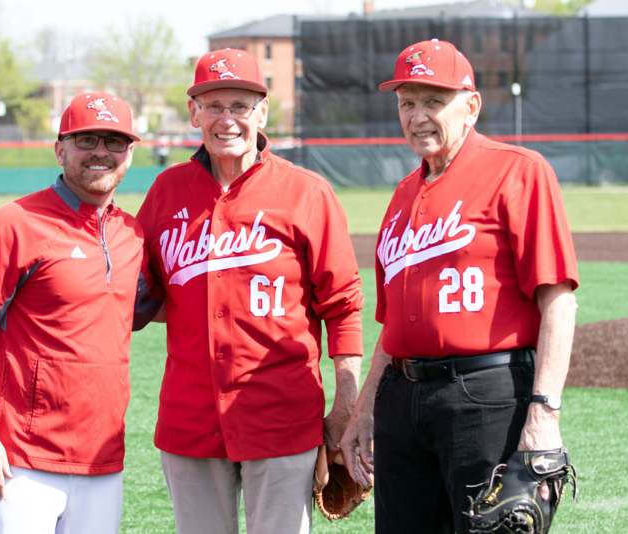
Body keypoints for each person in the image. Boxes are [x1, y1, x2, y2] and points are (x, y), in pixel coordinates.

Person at [340, 39, 579, 533]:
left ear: (470, 106)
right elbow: (393, 324)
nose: (418, 115)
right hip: (402, 400)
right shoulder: (404, 194)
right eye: (407, 102)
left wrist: (545, 412)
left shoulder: (518, 170)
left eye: (433, 100)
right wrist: (364, 407)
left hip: (486, 395)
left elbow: (557, 299)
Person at [136, 48, 364, 534]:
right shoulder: (166, 192)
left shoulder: (306, 192)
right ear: (193, 111)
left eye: (239, 106)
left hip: (282, 416)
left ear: (262, 111)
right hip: (190, 419)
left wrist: (345, 403)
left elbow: (343, 304)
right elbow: (144, 294)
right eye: (213, 106)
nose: (227, 120)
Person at [0, 92, 148, 533]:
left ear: (131, 153)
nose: (100, 152)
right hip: (20, 458)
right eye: (86, 139)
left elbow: (159, 306)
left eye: (114, 142)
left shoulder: (131, 234)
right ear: (60, 149)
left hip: (102, 458)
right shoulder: (14, 223)